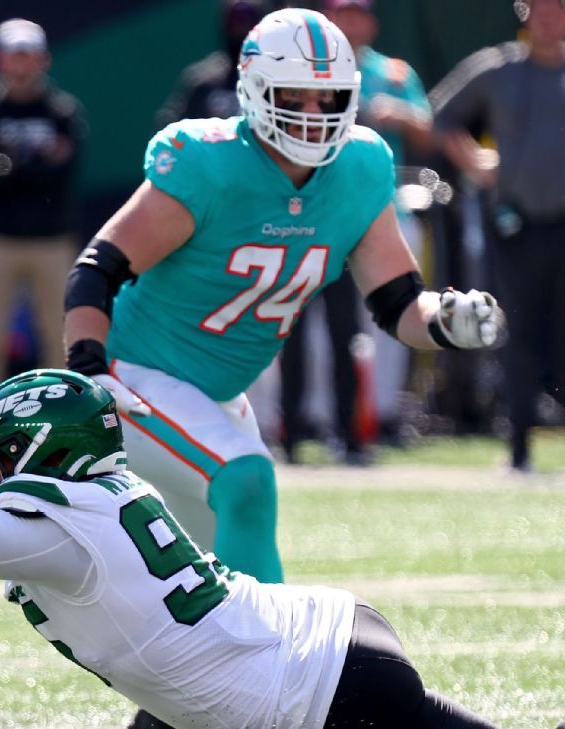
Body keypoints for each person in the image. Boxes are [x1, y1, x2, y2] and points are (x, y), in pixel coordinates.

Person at [61, 8, 503, 585]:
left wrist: (446, 321)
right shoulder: (208, 161)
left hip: (216, 393)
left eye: (330, 98)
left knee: (211, 567)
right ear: (256, 90)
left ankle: (229, 663)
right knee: (247, 478)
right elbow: (98, 269)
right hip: (138, 378)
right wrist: (90, 371)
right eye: (296, 96)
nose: (315, 115)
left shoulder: (361, 165)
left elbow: (396, 302)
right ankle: (272, 665)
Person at [0, 367, 499, 728]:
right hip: (318, 646)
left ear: (43, 448)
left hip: (314, 689)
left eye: (1, 455)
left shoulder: (60, 518)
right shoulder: (90, 502)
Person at [431, 0, 565, 473]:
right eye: (541, 8)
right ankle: (520, 449)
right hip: (517, 225)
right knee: (519, 332)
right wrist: (476, 163)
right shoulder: (498, 69)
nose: (549, 18)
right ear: (525, 14)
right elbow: (441, 116)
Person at [0, 18, 87, 403]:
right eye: (15, 56)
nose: (21, 65)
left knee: (60, 337)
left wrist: (12, 164)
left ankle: (69, 417)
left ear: (43, 59)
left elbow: (63, 173)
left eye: (28, 56)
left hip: (53, 239)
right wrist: (36, 163)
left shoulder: (63, 112)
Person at [325, 0, 435, 447]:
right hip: (325, 211)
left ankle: (384, 414)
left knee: (391, 316)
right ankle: (321, 416)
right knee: (318, 328)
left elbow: (429, 128)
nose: (350, 21)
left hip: (387, 209)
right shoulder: (312, 68)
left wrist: (398, 113)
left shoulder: (393, 72)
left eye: (358, 12)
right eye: (341, 12)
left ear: (371, 21)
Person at [154, 0, 270, 126]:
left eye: (247, 19)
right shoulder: (203, 80)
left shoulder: (278, 74)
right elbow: (171, 126)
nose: (241, 28)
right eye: (235, 21)